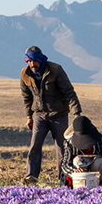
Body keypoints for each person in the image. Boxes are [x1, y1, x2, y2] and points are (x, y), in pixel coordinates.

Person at [20, 46, 83, 184]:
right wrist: (29, 116)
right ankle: (31, 176)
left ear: (41, 59)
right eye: (29, 61)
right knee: (35, 145)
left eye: (34, 61)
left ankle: (64, 177)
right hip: (40, 115)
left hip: (58, 114)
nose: (32, 64)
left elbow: (69, 93)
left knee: (62, 148)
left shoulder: (55, 70)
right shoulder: (25, 74)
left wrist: (76, 113)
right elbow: (26, 97)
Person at [59, 115, 102, 187]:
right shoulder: (70, 143)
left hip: (98, 176)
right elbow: (65, 165)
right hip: (79, 178)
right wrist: (74, 171)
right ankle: (80, 190)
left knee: (99, 162)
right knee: (77, 161)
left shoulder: (101, 140)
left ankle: (100, 188)